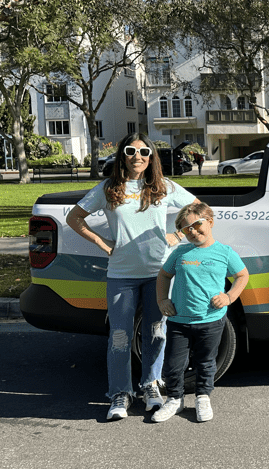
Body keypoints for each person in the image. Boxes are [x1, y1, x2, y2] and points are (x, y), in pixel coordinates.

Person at [66, 133, 198, 421]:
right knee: (120, 336)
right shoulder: (109, 188)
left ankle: (150, 386)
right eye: (130, 150)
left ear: (151, 156)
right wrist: (103, 243)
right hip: (121, 275)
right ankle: (120, 393)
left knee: (154, 333)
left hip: (158, 275)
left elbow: (199, 212)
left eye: (144, 151)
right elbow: (74, 218)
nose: (137, 156)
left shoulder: (163, 187)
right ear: (122, 155)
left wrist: (177, 235)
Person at [152, 202, 249, 423]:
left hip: (211, 321)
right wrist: (162, 300)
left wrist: (229, 297)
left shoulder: (224, 252)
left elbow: (242, 275)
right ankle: (174, 400)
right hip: (178, 321)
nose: (193, 231)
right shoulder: (181, 252)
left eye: (197, 225)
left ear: (210, 222)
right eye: (187, 229)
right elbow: (163, 276)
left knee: (206, 362)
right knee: (173, 364)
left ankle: (203, 397)